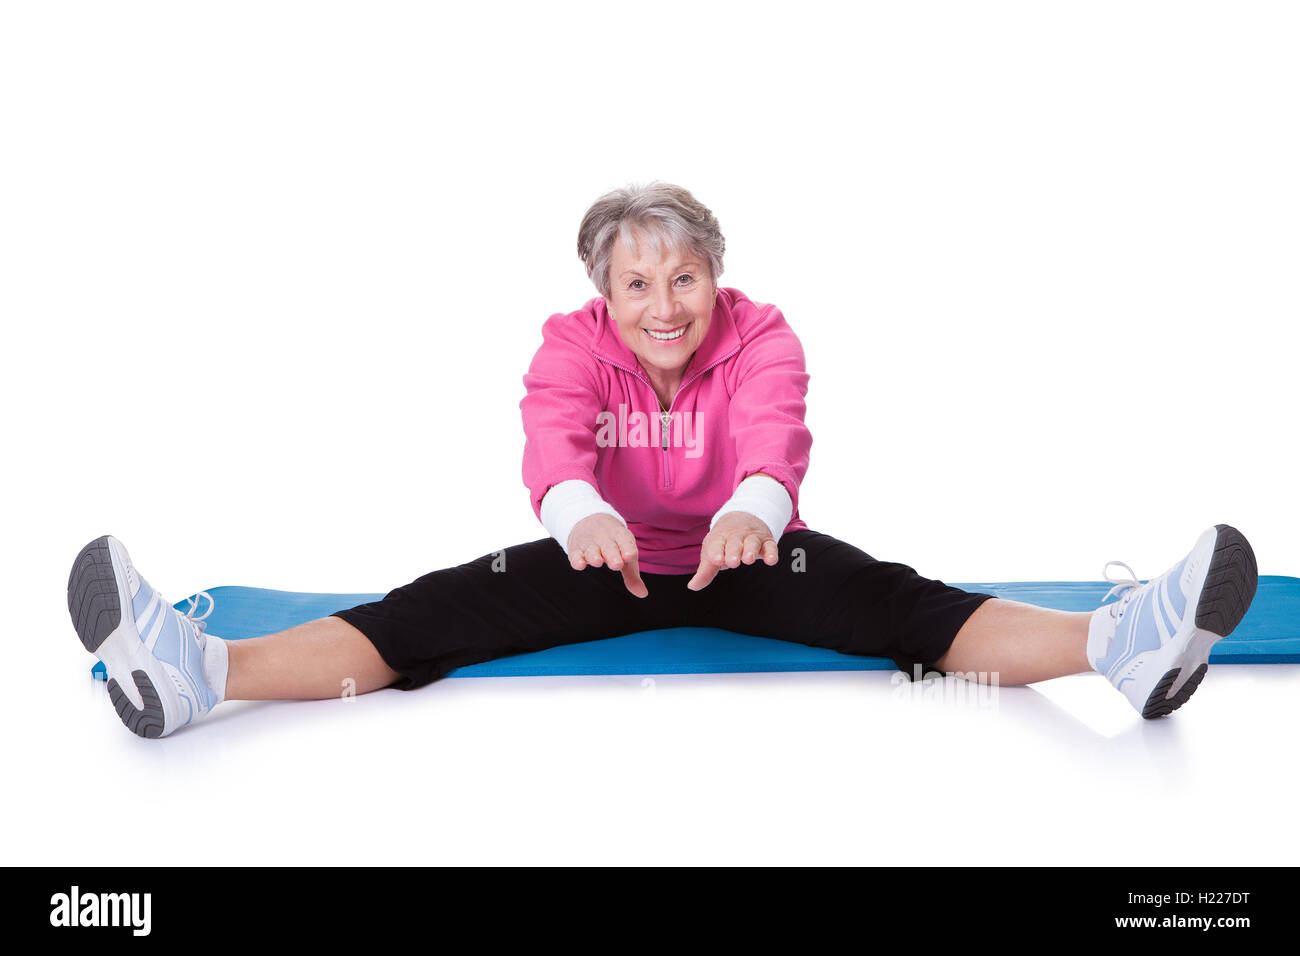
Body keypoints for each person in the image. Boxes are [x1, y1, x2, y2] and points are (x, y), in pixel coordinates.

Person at [66, 183, 1259, 738]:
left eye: (682, 276)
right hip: (606, 556)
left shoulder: (762, 331)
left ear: (713, 275)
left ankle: (1125, 643)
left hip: (746, 549)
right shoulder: (570, 344)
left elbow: (773, 428)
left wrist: (756, 502)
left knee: (904, 604)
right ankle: (195, 673)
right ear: (604, 290)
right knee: (421, 615)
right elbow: (550, 429)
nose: (663, 303)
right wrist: (577, 506)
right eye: (636, 282)